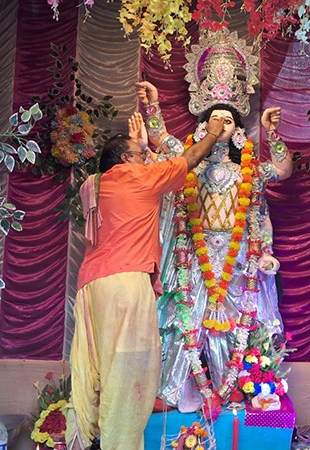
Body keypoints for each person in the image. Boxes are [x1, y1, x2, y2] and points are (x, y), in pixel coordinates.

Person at [134, 30, 294, 417]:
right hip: (196, 252)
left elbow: (284, 171)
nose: (220, 124)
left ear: (238, 129)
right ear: (202, 125)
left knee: (237, 324)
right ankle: (176, 392)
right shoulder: (190, 164)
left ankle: (241, 389)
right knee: (185, 323)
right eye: (213, 118)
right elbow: (161, 140)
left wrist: (272, 132)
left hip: (238, 256)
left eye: (227, 119)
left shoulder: (249, 171)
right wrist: (154, 106)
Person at [66, 112, 223, 450]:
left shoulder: (91, 185)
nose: (144, 158)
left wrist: (140, 147)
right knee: (128, 370)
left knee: (91, 369)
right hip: (126, 285)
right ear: (126, 160)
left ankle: (83, 440)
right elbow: (190, 158)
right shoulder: (139, 178)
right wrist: (210, 134)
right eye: (138, 155)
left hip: (91, 287)